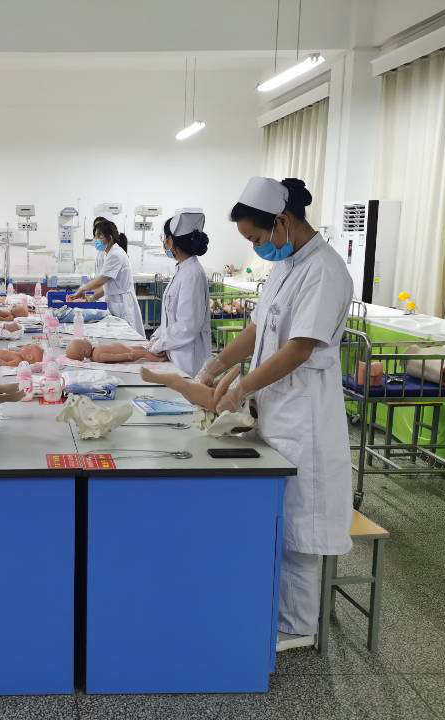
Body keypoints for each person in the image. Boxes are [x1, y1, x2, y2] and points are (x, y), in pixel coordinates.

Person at [203, 176, 354, 652]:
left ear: (282, 221)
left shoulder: (324, 270)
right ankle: (281, 612)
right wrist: (216, 365)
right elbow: (256, 329)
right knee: (279, 517)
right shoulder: (286, 266)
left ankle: (300, 626)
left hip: (305, 414)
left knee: (300, 526)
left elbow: (300, 348)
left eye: (256, 237)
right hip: (278, 409)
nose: (257, 248)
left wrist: (243, 387)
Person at [146, 209, 212, 376]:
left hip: (187, 359)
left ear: (170, 241)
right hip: (175, 352)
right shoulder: (183, 269)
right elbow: (171, 319)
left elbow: (187, 326)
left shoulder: (192, 274)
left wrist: (160, 344)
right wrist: (156, 338)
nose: (164, 243)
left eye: (165, 238)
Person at [68, 220, 144, 337]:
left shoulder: (115, 254)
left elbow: (102, 280)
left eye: (100, 236)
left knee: (125, 336)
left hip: (121, 303)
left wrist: (83, 289)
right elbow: (108, 285)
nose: (97, 240)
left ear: (110, 237)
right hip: (114, 301)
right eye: (95, 236)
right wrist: (92, 298)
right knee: (116, 335)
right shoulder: (108, 253)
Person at [65, 338, 165, 364]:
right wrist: (126, 355)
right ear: (85, 352)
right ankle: (159, 360)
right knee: (144, 353)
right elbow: (113, 357)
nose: (86, 340)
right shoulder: (97, 356)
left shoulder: (94, 352)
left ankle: (156, 353)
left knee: (142, 348)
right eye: (84, 342)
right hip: (128, 353)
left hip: (127, 349)